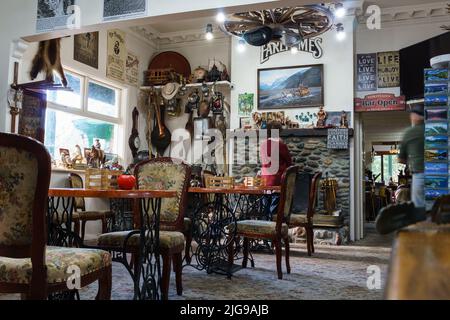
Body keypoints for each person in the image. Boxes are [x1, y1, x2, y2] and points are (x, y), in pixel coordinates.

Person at [259, 120, 293, 216]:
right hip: (277, 179)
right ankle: (274, 226)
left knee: (266, 205)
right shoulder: (280, 145)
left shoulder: (263, 144)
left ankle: (265, 225)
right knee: (275, 208)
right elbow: (289, 162)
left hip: (265, 179)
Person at [398, 102, 425, 208]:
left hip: (419, 173)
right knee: (436, 209)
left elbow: (400, 158)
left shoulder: (410, 133)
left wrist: (410, 161)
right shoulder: (433, 130)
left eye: (412, 114)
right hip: (437, 173)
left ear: (415, 116)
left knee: (419, 209)